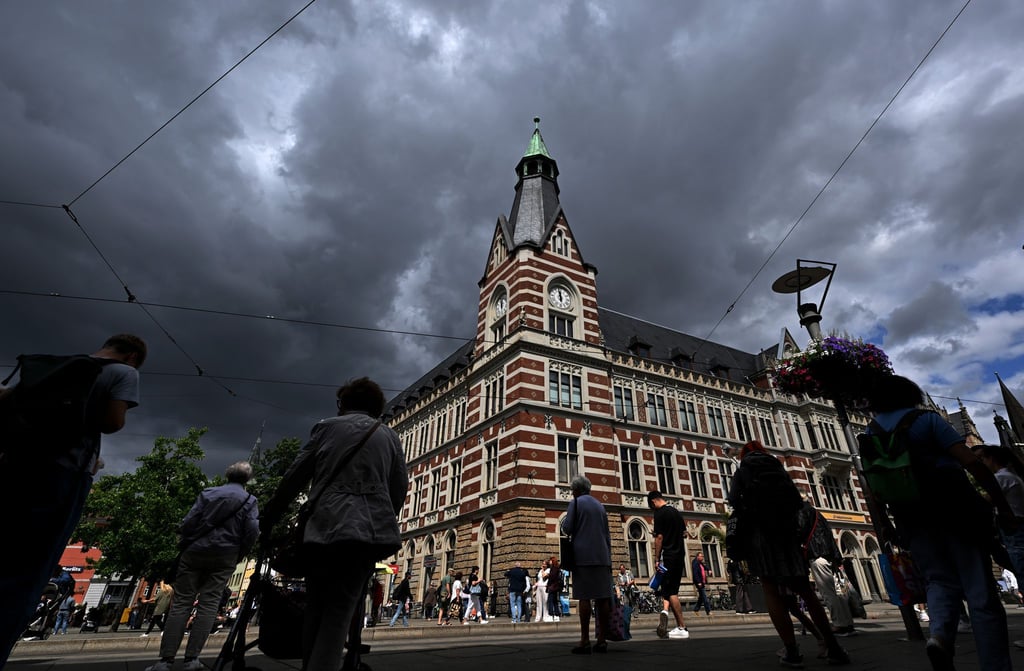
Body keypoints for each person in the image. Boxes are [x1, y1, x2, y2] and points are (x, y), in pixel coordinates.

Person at [0, 333, 146, 666]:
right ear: (133, 357)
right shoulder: (123, 372)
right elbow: (113, 422)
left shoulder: (57, 366)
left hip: (15, 467)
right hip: (62, 474)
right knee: (28, 573)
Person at [866, 377, 1015, 671]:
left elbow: (873, 486)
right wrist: (1001, 504)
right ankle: (995, 664)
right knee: (980, 590)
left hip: (910, 517)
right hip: (953, 509)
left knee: (937, 581)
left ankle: (939, 636)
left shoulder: (871, 432)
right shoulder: (926, 420)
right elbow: (971, 462)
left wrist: (885, 524)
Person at [260, 377, 408, 671]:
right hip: (365, 534)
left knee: (316, 605)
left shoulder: (326, 427)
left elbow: (295, 476)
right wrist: (381, 515)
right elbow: (399, 488)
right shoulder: (389, 436)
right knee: (339, 611)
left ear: (344, 403)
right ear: (377, 407)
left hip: (324, 527)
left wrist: (271, 515)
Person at [727, 441, 848, 667]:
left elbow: (733, 500)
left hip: (762, 535)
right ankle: (833, 647)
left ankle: (792, 651)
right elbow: (795, 501)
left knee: (771, 590)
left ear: (744, 455)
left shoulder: (743, 470)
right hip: (787, 534)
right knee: (806, 592)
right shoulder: (777, 467)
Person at [144, 461, 259, 671]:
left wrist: (187, 540)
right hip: (226, 555)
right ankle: (192, 659)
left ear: (227, 475)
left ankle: (165, 660)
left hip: (196, 551)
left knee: (181, 603)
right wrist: (240, 553)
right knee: (209, 604)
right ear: (248, 480)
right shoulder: (250, 500)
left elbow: (189, 522)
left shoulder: (209, 493)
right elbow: (252, 531)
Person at [561, 475, 612, 654]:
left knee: (584, 598)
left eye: (572, 490)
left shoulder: (575, 503)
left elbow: (567, 528)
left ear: (576, 490)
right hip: (602, 556)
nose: (571, 493)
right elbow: (607, 533)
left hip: (582, 557)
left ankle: (585, 640)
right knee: (603, 598)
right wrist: (609, 558)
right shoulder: (600, 505)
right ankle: (602, 640)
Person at [799, 499, 856, 637]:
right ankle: (848, 624)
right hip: (830, 557)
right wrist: (837, 558)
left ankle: (839, 625)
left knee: (829, 593)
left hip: (817, 555)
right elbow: (829, 536)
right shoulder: (818, 514)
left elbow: (799, 532)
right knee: (840, 592)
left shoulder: (802, 512)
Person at [647, 490, 690, 640]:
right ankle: (665, 610)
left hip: (669, 555)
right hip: (680, 555)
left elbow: (659, 538)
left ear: (653, 502)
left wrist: (656, 558)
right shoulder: (676, 512)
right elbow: (684, 533)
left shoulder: (659, 514)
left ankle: (682, 627)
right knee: (669, 587)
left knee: (671, 592)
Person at [546, 557, 563, 622]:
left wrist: (548, 576)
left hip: (552, 587)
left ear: (552, 561)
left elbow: (552, 577)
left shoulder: (553, 568)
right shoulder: (557, 568)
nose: (549, 562)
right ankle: (556, 615)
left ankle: (551, 615)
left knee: (550, 601)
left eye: (550, 560)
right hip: (555, 587)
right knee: (555, 601)